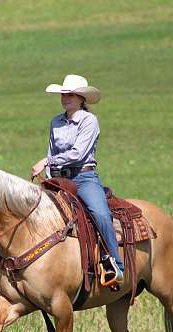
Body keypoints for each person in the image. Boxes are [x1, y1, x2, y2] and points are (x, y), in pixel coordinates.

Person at [31, 74, 125, 286]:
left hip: (84, 177)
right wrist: (48, 179)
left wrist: (47, 161)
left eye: (71, 94)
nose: (66, 97)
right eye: (64, 94)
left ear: (82, 98)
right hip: (59, 179)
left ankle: (116, 265)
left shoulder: (89, 121)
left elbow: (78, 154)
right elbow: (51, 149)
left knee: (100, 213)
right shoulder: (55, 121)